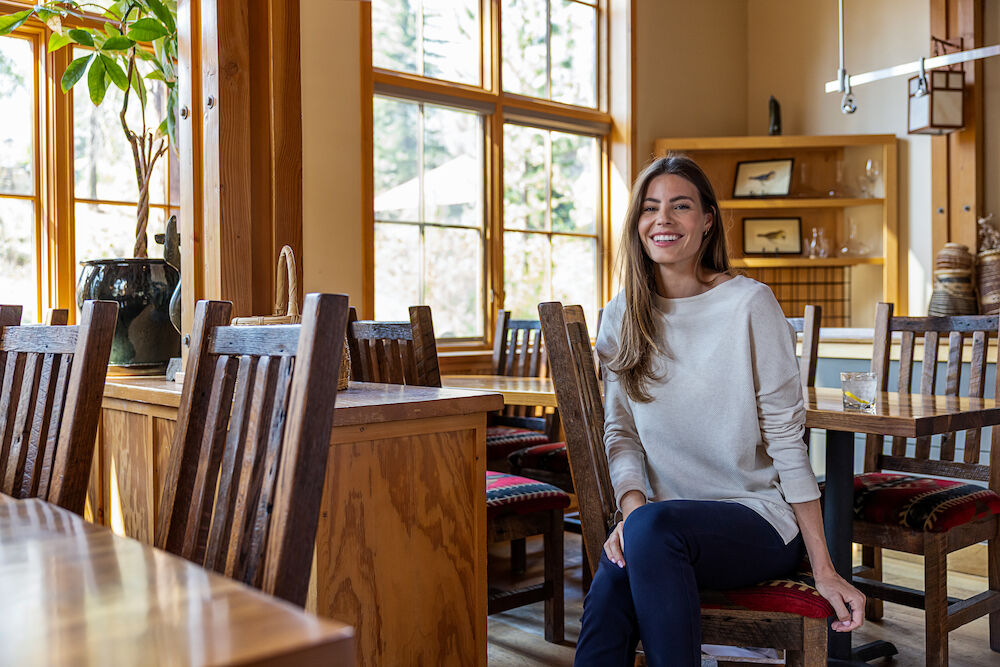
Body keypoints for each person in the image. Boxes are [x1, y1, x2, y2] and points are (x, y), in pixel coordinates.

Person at [574, 155, 865, 666]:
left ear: (707, 219)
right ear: (636, 223)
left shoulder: (749, 305)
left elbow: (785, 440)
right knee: (611, 588)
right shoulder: (622, 314)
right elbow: (620, 435)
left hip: (755, 521)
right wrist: (634, 515)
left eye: (679, 206)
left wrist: (824, 566)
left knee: (641, 543)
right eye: (650, 208)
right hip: (659, 527)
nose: (662, 220)